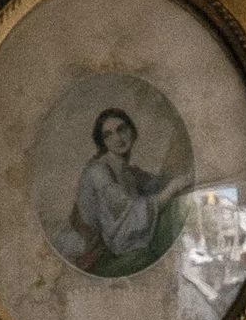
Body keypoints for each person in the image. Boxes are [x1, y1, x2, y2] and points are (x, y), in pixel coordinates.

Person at [57, 106, 191, 275]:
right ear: (103, 143)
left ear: (132, 131)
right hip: (87, 254)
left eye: (121, 129)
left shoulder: (129, 172)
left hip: (109, 247)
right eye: (108, 135)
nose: (117, 138)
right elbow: (129, 214)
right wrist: (172, 188)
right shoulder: (97, 172)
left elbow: (158, 184)